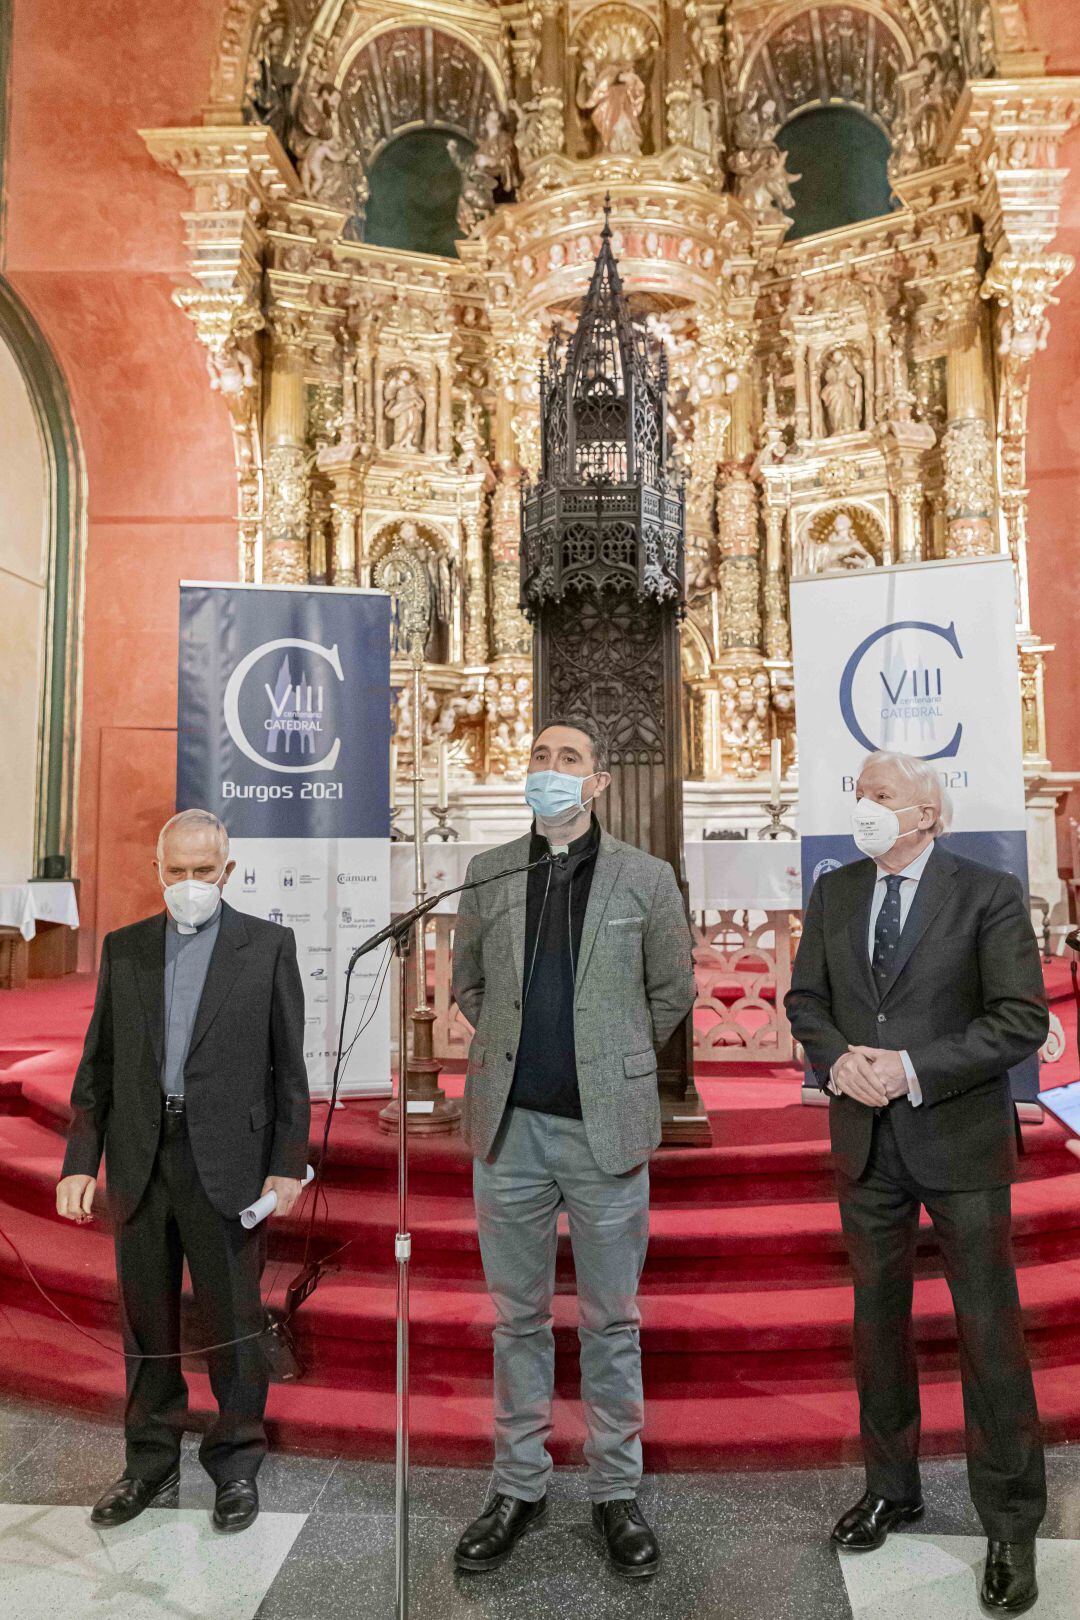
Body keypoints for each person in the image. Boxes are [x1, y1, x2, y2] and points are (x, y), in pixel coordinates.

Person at [786, 751, 1048, 1614]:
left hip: (959, 1138)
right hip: (865, 1139)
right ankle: (892, 1488)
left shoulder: (986, 892)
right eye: (858, 792)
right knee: (877, 1325)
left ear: (928, 814)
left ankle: (1010, 1522)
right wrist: (838, 1066)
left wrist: (908, 1067)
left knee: (988, 1332)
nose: (865, 805)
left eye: (883, 794)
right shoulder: (835, 893)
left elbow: (1020, 1018)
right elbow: (806, 1002)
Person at [450, 720, 695, 1579]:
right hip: (509, 1130)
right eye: (540, 757)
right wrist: (520, 1052)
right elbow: (468, 982)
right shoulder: (489, 874)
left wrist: (614, 1059)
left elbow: (672, 988)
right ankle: (518, 1485)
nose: (549, 771)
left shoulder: (645, 877)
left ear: (596, 784)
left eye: (569, 760)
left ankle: (614, 1491)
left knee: (610, 1321)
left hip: (606, 1133)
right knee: (517, 1318)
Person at [56, 809, 310, 1533]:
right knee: (148, 1322)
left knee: (233, 1318)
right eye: (179, 871)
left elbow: (289, 1071)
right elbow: (96, 1065)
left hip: (228, 1161)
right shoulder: (125, 948)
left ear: (227, 872)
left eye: (206, 871)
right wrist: (82, 1160)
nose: (191, 884)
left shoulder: (267, 947)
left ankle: (235, 1463)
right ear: (156, 871)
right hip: (142, 1155)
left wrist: (286, 1165)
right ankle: (148, 1459)